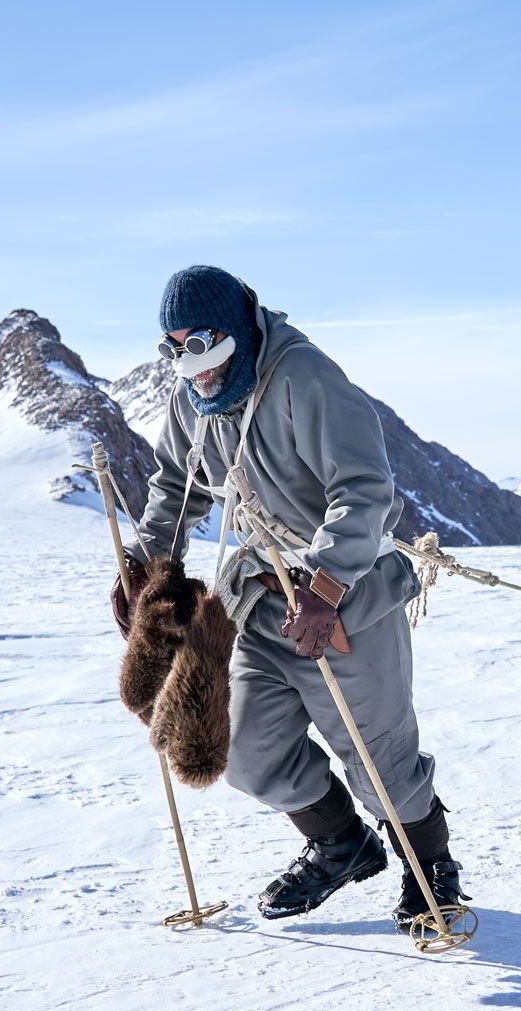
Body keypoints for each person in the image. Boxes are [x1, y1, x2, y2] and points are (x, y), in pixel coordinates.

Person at [112, 265, 464, 931]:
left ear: (239, 329)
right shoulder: (195, 395)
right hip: (258, 597)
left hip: (346, 597)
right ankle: (341, 845)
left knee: (377, 754)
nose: (193, 363)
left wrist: (326, 585)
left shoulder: (306, 378)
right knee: (238, 743)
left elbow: (363, 490)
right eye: (175, 347)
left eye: (203, 343)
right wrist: (146, 561)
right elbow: (170, 482)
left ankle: (432, 873)